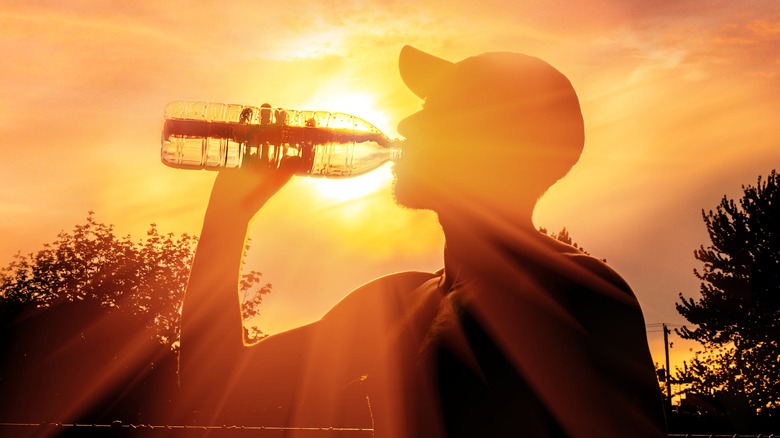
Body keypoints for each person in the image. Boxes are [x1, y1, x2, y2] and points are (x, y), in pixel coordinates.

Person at [179, 45, 667, 437]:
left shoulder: (576, 295)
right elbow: (215, 389)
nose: (406, 125)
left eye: (437, 110)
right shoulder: (399, 302)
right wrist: (229, 214)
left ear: (492, 141)